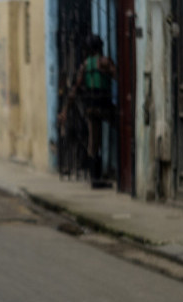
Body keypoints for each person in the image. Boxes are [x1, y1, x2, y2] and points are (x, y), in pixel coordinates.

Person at [64, 34, 116, 188]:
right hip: (104, 104)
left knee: (93, 141)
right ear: (100, 47)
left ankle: (95, 178)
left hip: (90, 106)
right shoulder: (104, 62)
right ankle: (106, 175)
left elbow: (74, 90)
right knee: (122, 126)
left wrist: (65, 110)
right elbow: (117, 75)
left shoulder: (85, 65)